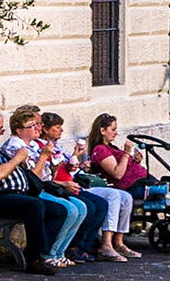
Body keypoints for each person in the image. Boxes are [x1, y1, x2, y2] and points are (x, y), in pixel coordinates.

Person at [0, 108, 64, 276]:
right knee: (34, 205)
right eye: (0, 129)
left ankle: (36, 253)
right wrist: (17, 159)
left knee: (58, 211)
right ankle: (34, 259)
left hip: (11, 196)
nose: (2, 133)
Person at [1, 108, 97, 267]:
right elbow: (33, 179)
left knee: (81, 207)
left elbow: (46, 176)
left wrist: (54, 169)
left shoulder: (31, 144)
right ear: (19, 130)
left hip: (45, 186)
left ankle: (59, 252)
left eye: (37, 125)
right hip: (32, 191)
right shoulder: (15, 147)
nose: (37, 128)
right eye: (32, 126)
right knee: (69, 209)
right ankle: (48, 253)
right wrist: (44, 156)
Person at [39, 112, 135, 261]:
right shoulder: (41, 147)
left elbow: (67, 165)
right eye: (58, 127)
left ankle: (110, 243)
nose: (61, 131)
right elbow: (117, 174)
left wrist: (76, 159)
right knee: (90, 205)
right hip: (58, 186)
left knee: (111, 201)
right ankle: (84, 246)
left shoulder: (56, 146)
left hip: (75, 181)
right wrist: (126, 155)